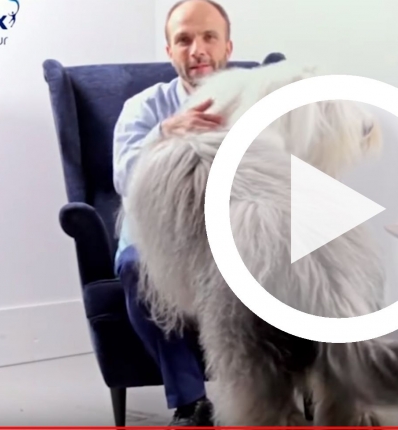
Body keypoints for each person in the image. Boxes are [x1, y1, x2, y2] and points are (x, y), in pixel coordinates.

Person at [110, 0, 233, 426]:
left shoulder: (253, 104)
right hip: (158, 240)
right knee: (135, 266)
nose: (197, 49)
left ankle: (287, 389)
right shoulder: (143, 108)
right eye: (184, 39)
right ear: (169, 51)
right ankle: (192, 404)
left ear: (227, 47)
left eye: (209, 37)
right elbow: (125, 179)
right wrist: (164, 134)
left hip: (234, 236)